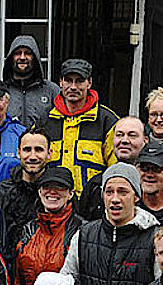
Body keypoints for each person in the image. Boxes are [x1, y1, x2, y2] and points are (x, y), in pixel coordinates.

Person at [11, 166, 82, 285]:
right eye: (47, 186)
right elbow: (18, 283)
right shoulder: (28, 230)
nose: (52, 192)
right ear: (39, 192)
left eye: (60, 187)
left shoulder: (82, 231)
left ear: (71, 193)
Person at [42, 58, 119, 198]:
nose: (73, 87)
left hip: (93, 205)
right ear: (61, 82)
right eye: (68, 81)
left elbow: (116, 171)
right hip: (53, 202)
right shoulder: (44, 121)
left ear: (89, 83)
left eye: (79, 81)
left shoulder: (107, 121)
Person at [0, 127, 51, 244]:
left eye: (39, 150)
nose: (33, 156)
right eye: (27, 150)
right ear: (18, 153)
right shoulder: (2, 191)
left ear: (49, 153)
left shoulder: (56, 194)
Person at [1, 34, 59, 128]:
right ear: (11, 58)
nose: (22, 57)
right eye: (18, 53)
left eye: (27, 53)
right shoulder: (2, 91)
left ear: (35, 58)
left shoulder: (51, 90)